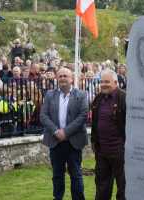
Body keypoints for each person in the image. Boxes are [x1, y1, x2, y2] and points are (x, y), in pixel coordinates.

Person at [40, 67, 88, 200]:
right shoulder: (50, 95)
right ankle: (58, 197)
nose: (62, 78)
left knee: (76, 174)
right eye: (60, 76)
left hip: (74, 141)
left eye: (65, 76)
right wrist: (56, 131)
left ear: (71, 79)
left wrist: (65, 133)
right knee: (57, 174)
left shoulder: (82, 95)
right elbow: (43, 116)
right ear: (56, 78)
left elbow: (83, 116)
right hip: (55, 141)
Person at [91, 69, 126, 200]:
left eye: (107, 82)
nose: (104, 84)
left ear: (116, 82)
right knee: (102, 186)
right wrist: (94, 142)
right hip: (102, 152)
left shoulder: (123, 98)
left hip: (119, 151)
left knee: (123, 187)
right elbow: (94, 123)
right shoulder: (98, 98)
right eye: (102, 82)